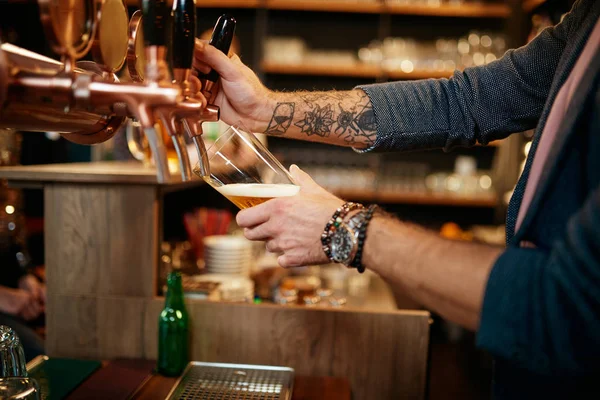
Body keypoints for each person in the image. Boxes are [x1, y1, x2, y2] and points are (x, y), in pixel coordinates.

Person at [193, 0, 600, 398]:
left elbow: (568, 304)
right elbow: (464, 101)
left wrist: (344, 227)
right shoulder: (587, 18)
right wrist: (263, 108)